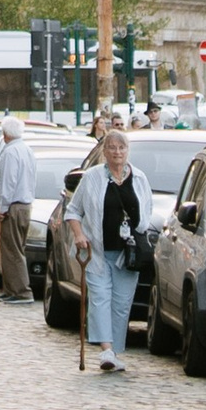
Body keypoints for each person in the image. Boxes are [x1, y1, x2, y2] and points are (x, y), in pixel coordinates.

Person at [69, 120, 145, 373]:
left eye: (121, 148)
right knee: (100, 298)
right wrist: (79, 235)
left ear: (127, 151)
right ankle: (106, 351)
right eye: (111, 147)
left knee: (121, 303)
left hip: (128, 254)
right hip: (97, 252)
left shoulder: (140, 178)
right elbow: (73, 211)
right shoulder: (92, 178)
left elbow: (146, 214)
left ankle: (114, 350)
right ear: (105, 151)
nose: (117, 152)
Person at [0, 116, 36, 303]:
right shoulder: (26, 149)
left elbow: (9, 182)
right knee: (13, 249)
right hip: (22, 205)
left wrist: (3, 207)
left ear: (5, 133)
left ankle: (21, 292)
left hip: (14, 206)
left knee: (13, 250)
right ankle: (11, 289)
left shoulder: (11, 152)